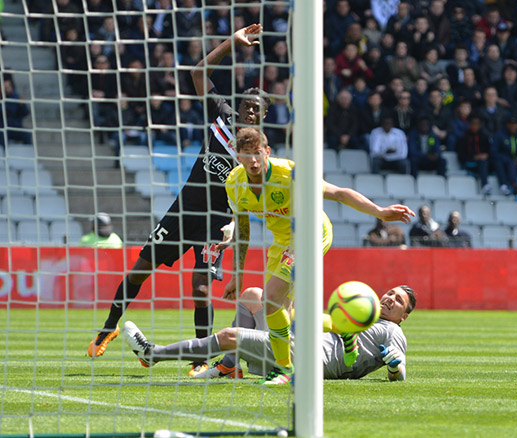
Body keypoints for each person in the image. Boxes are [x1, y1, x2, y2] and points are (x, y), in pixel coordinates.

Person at [87, 25, 266, 380]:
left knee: (200, 288)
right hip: (185, 209)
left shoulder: (258, 153)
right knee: (141, 267)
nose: (249, 112)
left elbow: (254, 196)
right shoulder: (221, 115)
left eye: (256, 110)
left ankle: (200, 358)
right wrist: (232, 42)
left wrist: (234, 221)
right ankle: (108, 327)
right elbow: (197, 72)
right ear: (240, 105)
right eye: (247, 105)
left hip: (216, 220)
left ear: (263, 118)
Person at [220, 127, 414, 384]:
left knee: (270, 299)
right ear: (237, 156)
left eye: (257, 153)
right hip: (282, 240)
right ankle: (342, 328)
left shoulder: (290, 173)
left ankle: (284, 369)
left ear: (267, 151)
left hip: (311, 232)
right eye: (246, 155)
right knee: (283, 313)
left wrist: (380, 212)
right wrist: (237, 275)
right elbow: (242, 231)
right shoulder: (234, 185)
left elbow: (338, 193)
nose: (253, 161)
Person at [123, 285, 417, 382]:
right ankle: (229, 366)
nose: (390, 298)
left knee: (230, 334)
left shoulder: (392, 330)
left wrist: (394, 367)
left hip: (305, 358)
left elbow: (400, 371)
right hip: (298, 342)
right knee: (253, 295)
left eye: (398, 301)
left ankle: (152, 355)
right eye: (390, 293)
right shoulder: (359, 317)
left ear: (403, 316)